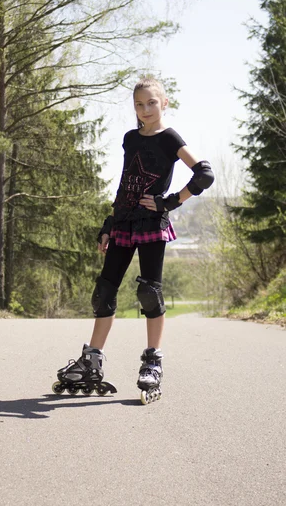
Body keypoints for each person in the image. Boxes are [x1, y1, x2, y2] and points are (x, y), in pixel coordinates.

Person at [53, 77, 214, 403]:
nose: (145, 110)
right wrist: (109, 224)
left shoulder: (169, 138)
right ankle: (92, 359)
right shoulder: (130, 139)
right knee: (105, 291)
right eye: (139, 104)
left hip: (152, 223)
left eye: (151, 103)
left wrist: (169, 202)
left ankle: (153, 361)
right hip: (124, 223)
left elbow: (204, 174)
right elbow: (126, 185)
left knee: (149, 292)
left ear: (164, 103)